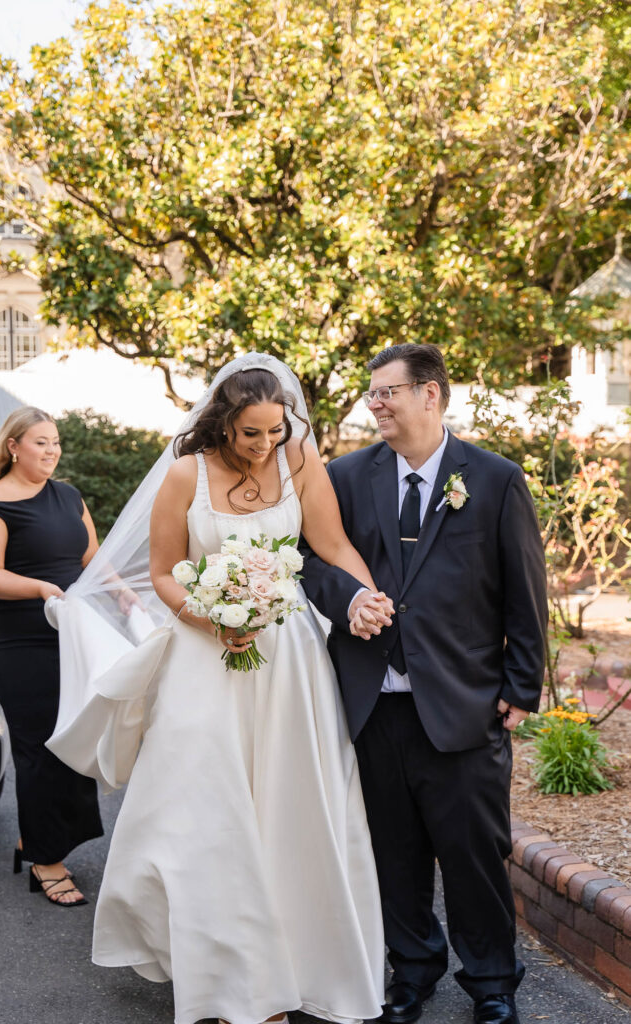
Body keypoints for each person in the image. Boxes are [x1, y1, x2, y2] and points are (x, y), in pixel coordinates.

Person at [45, 353, 387, 1024]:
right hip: (205, 657)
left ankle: (296, 965)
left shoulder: (298, 462)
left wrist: (367, 595)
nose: (266, 446)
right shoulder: (185, 475)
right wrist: (209, 615)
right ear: (225, 424)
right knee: (208, 815)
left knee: (289, 807)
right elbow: (164, 572)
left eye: (276, 432)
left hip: (288, 660)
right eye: (252, 433)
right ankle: (233, 981)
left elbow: (333, 545)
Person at [300, 344, 548, 1024]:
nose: (374, 403)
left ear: (432, 394)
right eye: (371, 392)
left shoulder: (493, 479)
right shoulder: (343, 478)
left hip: (465, 703)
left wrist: (523, 686)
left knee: (474, 856)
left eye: (388, 392)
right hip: (370, 705)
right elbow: (310, 564)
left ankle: (494, 984)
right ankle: (411, 974)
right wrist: (348, 598)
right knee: (393, 855)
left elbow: (526, 589)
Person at [0, 406, 115, 906]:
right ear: (14, 447)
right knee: (40, 748)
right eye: (40, 443)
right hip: (22, 643)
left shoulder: (68, 496)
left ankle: (38, 840)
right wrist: (39, 588)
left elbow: (89, 557)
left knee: (74, 740)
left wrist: (123, 593)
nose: (51, 451)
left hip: (73, 636)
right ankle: (46, 865)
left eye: (55, 442)